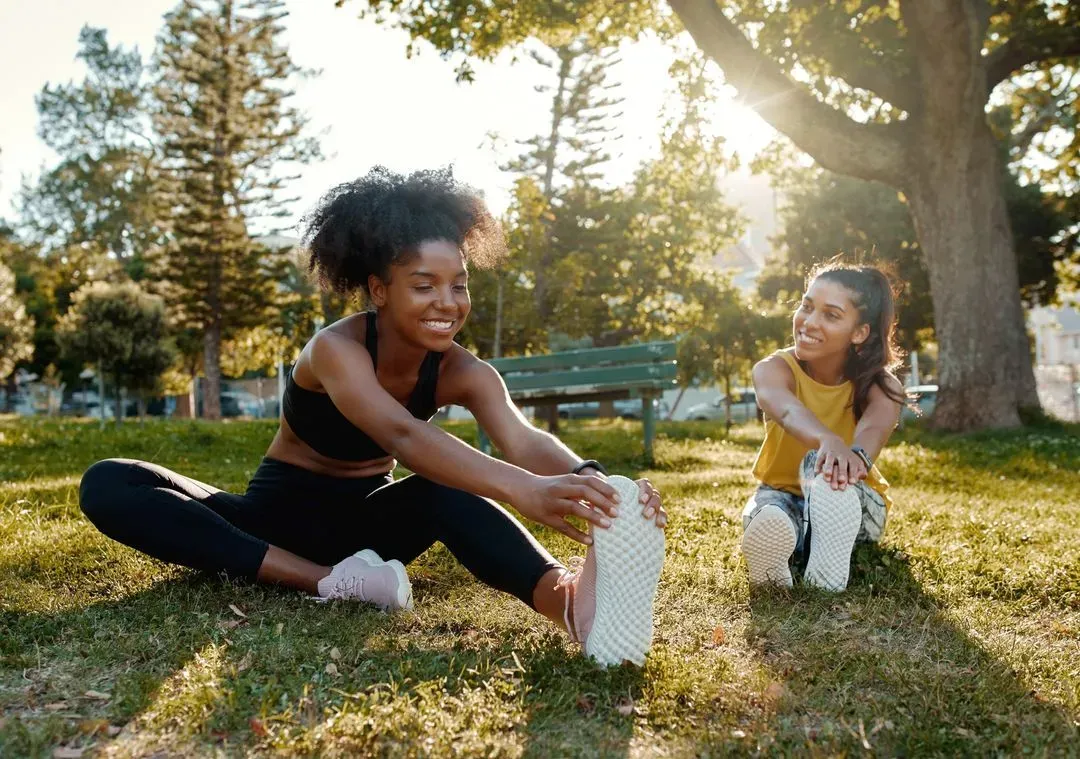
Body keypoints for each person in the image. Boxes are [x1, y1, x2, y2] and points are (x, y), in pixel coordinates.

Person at [79, 166, 666, 665]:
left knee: (448, 491)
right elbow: (401, 433)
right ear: (379, 290)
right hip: (270, 522)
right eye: (423, 285)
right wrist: (525, 490)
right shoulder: (336, 349)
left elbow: (521, 436)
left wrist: (598, 486)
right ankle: (330, 585)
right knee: (110, 481)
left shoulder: (466, 371)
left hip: (369, 532)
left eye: (458, 285)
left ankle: (567, 601)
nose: (447, 302)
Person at [741, 260, 905, 592]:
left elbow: (869, 440)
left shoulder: (883, 388)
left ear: (860, 333)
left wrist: (843, 455)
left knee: (822, 465)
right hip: (782, 491)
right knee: (769, 514)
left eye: (831, 315)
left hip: (850, 494)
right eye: (807, 306)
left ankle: (822, 545)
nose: (809, 322)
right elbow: (785, 411)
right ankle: (786, 547)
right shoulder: (774, 369)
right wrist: (826, 438)